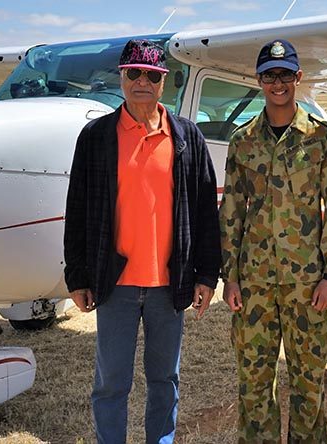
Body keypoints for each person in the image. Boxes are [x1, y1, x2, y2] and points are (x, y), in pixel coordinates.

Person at [63, 39, 221, 444]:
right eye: (134, 73)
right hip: (115, 281)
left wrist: (207, 274)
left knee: (164, 379)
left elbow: (205, 211)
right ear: (122, 77)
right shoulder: (97, 137)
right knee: (111, 383)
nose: (142, 82)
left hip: (169, 284)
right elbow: (78, 209)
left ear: (163, 83)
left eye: (151, 75)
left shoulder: (186, 138)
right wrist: (77, 276)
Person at [219, 39, 327, 443]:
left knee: (309, 387)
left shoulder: (321, 138)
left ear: (298, 78)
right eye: (270, 75)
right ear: (259, 80)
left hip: (308, 284)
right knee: (254, 385)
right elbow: (232, 212)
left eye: (285, 74)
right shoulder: (243, 141)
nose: (278, 83)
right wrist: (231, 277)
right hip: (254, 283)